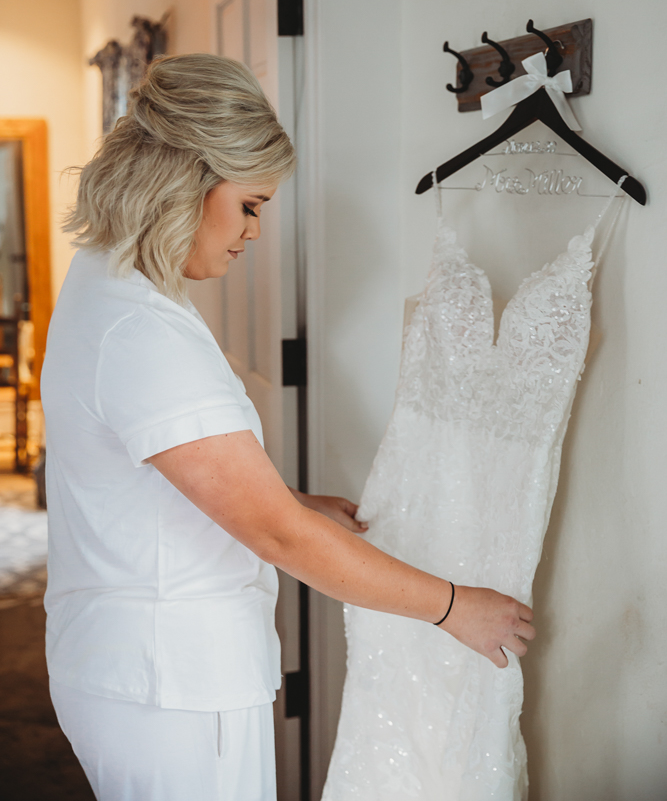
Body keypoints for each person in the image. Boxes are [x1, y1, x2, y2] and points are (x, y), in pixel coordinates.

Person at [42, 54, 534, 801]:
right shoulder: (142, 337)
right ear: (183, 184)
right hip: (169, 686)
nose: (252, 232)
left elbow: (162, 468)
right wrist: (452, 606)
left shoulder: (103, 280)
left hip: (130, 667)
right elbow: (278, 538)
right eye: (249, 204)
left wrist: (294, 500)